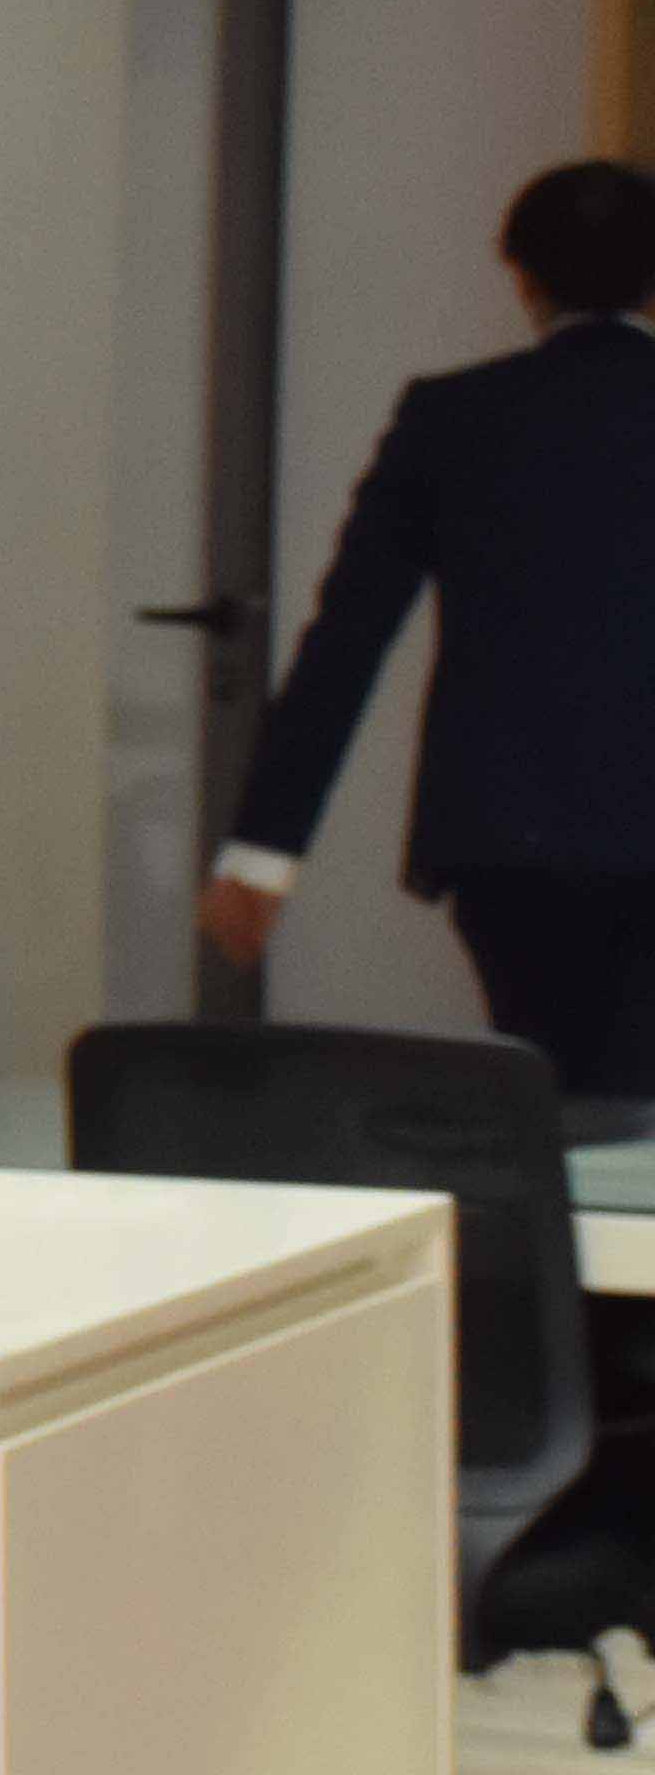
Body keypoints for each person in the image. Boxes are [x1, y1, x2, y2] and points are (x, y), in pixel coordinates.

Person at [199, 157, 655, 1090]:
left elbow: (347, 639)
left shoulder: (455, 418)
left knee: (560, 1087)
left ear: (523, 278)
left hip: (509, 837)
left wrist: (265, 852)